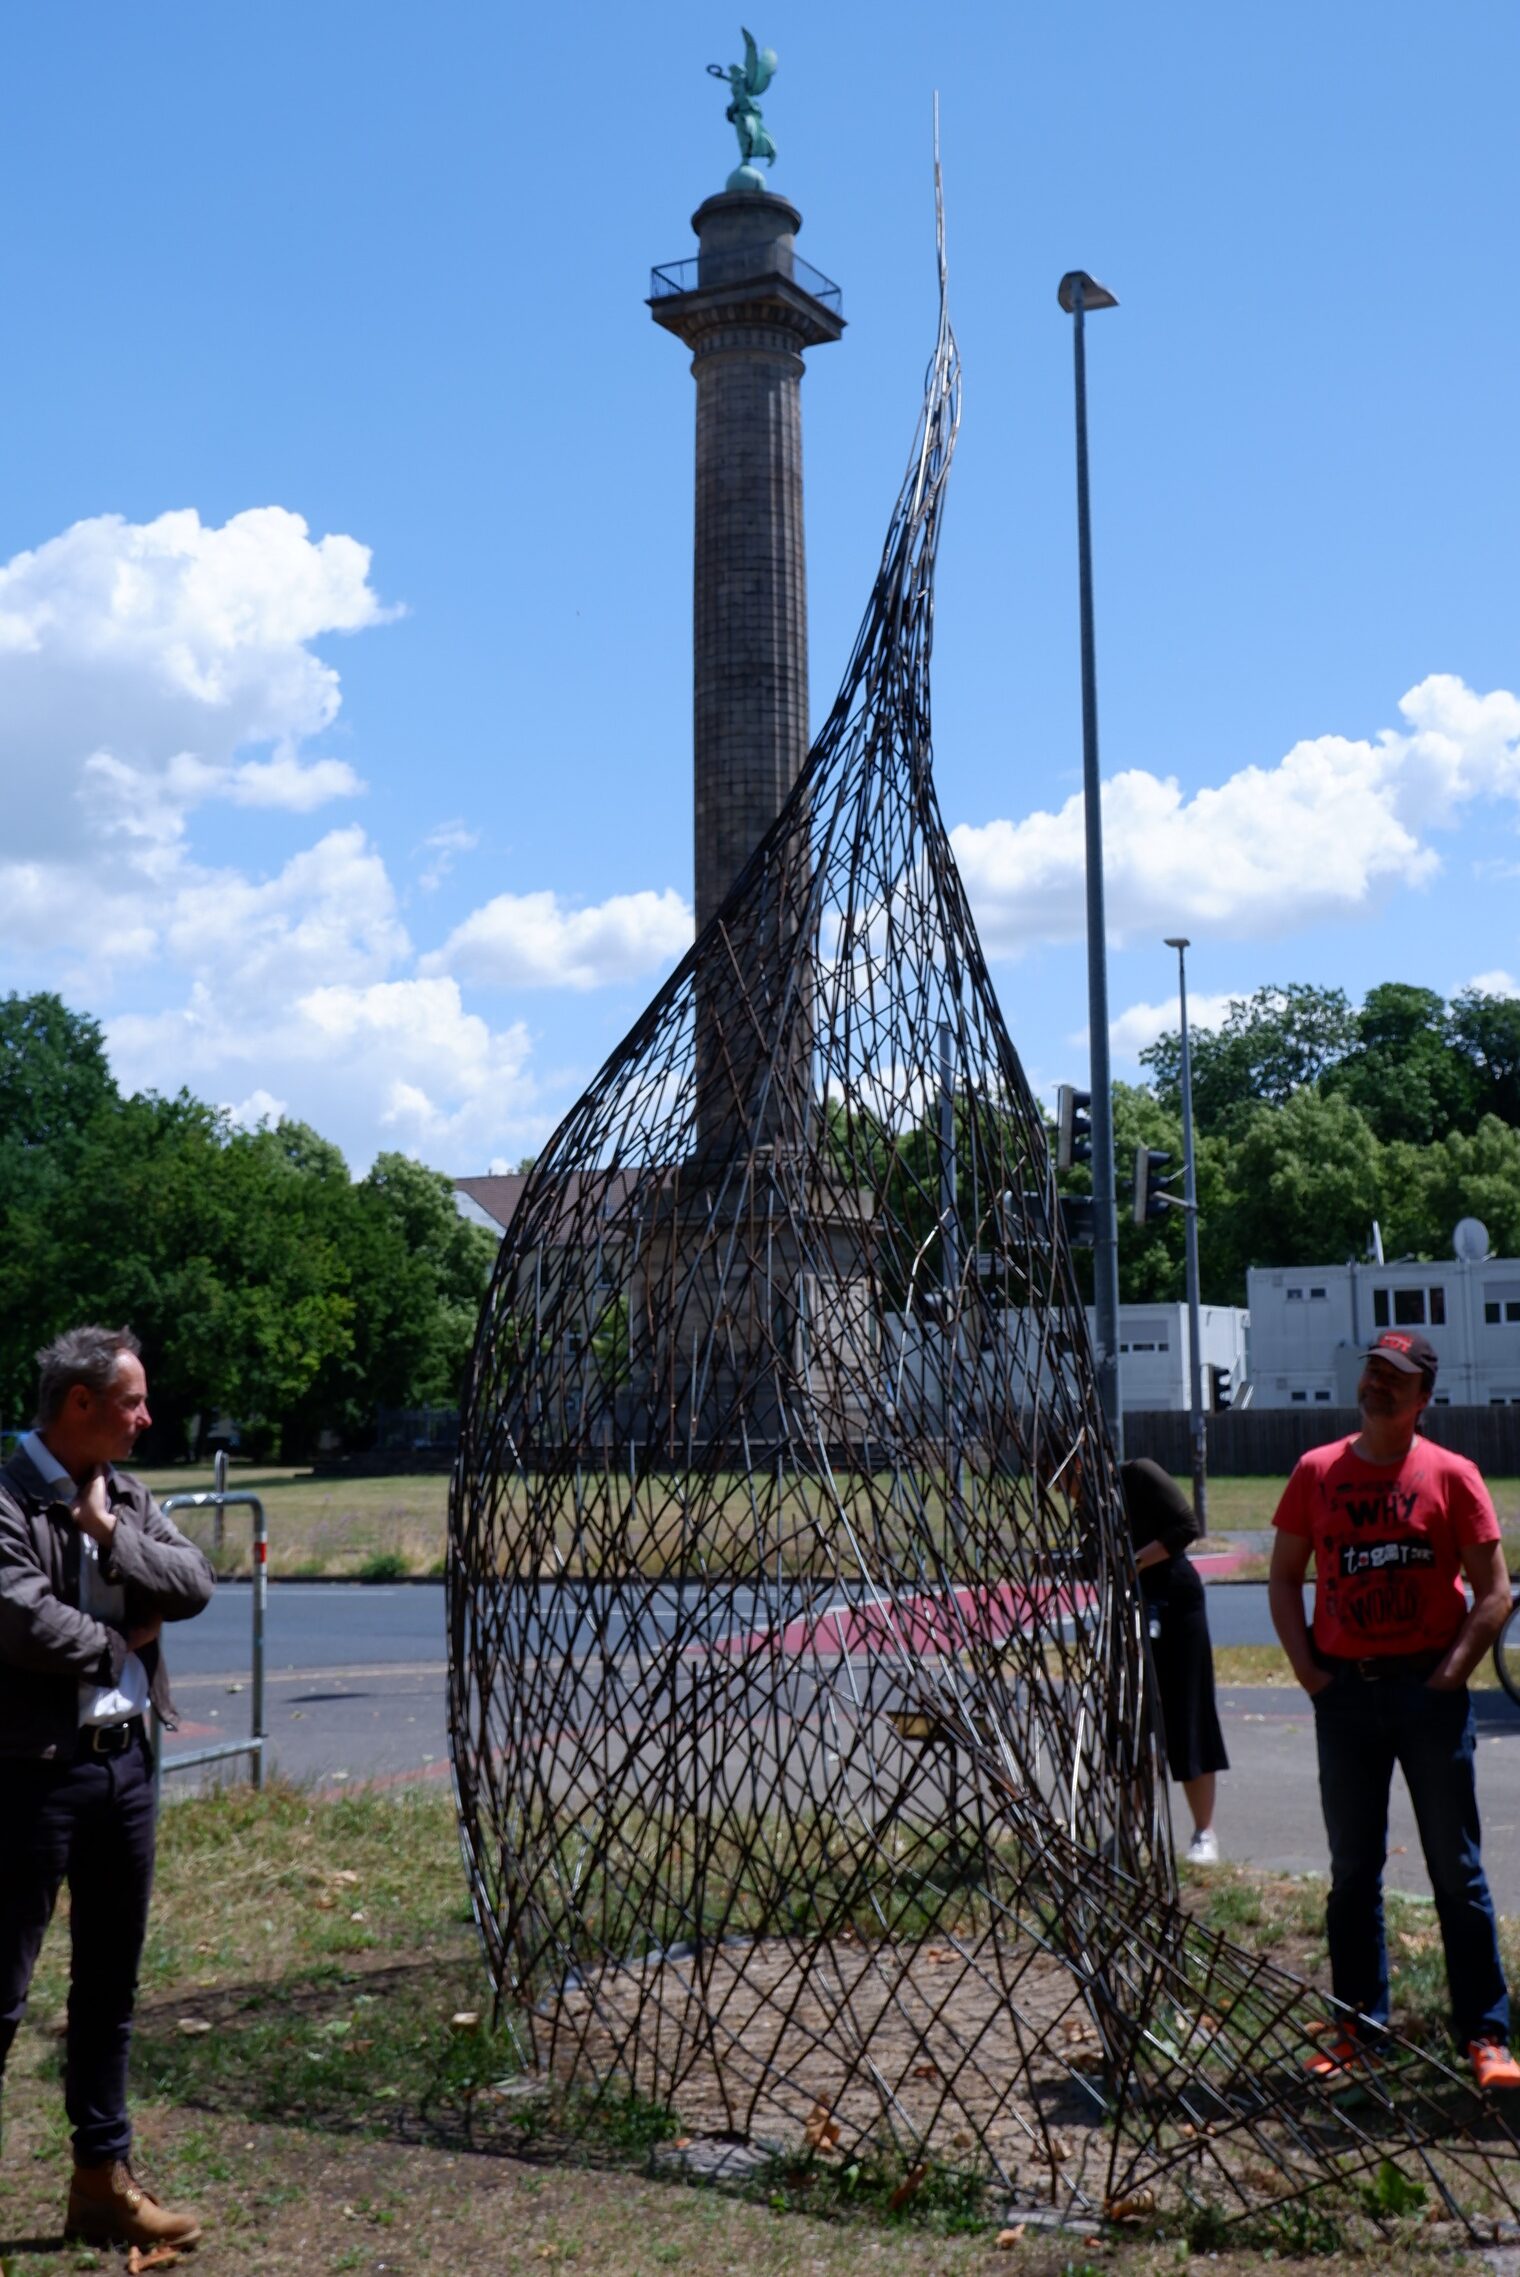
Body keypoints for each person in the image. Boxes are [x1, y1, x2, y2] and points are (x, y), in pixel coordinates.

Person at [0, 1325, 216, 2248]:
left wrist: (106, 1533)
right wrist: (117, 1644)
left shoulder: (120, 1492)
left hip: (125, 1767)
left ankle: (101, 2181)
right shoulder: (6, 1494)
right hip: (26, 1777)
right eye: (131, 1401)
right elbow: (18, 1620)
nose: (146, 1418)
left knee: (108, 1987)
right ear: (80, 1403)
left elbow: (195, 1581)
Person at [1269, 1327, 1520, 2091]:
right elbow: (1284, 1576)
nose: (1378, 1383)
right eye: (1373, 1370)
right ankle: (1359, 2029)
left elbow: (1495, 1592)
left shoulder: (1452, 1475)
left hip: (1427, 1697)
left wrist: (1447, 1675)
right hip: (1345, 1694)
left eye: (1395, 1376)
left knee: (1457, 1870)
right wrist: (1311, 1673)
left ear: (1423, 1398)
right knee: (1353, 1870)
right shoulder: (1316, 1472)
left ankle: (1486, 2034)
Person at [1119, 1457, 1229, 1865]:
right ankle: (1129, 1829)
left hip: (1175, 1605)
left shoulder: (1138, 1474)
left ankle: (1204, 1832)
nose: (1059, 1489)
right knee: (1133, 1725)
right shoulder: (1088, 1505)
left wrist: (1132, 1562)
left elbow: (1186, 1527)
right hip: (1131, 1609)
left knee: (1188, 1717)